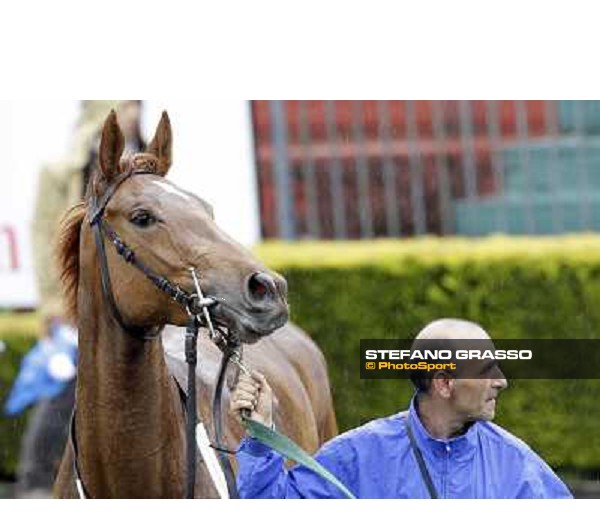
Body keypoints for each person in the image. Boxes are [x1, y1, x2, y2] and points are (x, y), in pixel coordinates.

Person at [230, 318, 572, 499]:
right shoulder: (357, 455)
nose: (501, 382)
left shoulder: (516, 463)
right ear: (444, 384)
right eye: (486, 371)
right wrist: (262, 437)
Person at [11, 101, 145, 498]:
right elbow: (44, 238)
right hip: (77, 300)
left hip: (126, 300)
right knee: (64, 384)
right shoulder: (61, 173)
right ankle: (35, 483)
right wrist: (53, 303)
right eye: (127, 105)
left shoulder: (137, 167)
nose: (136, 113)